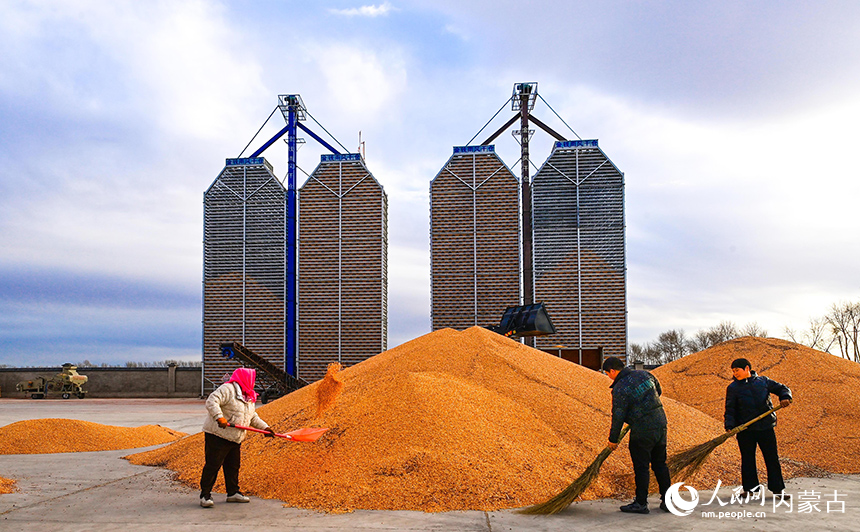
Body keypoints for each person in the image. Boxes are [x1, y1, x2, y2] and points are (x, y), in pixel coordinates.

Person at [603, 356, 672, 514]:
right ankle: (668, 501)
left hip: (642, 430)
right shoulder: (645, 374)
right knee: (660, 464)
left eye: (607, 373)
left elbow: (618, 416)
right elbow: (658, 391)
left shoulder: (620, 388)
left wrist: (613, 439)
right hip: (661, 424)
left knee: (641, 467)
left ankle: (641, 503)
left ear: (613, 371)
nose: (608, 376)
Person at [199, 367, 274, 508]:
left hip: (235, 437)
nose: (253, 382)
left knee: (233, 466)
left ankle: (233, 493)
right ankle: (205, 495)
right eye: (251, 378)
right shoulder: (227, 389)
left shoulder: (249, 395)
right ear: (244, 378)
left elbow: (252, 417)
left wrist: (265, 428)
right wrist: (219, 417)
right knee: (213, 465)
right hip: (218, 435)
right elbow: (211, 401)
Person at [724, 358, 792, 500]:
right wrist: (729, 426)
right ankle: (749, 489)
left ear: (747, 368)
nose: (735, 373)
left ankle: (778, 489)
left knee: (772, 458)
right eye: (733, 371)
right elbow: (730, 409)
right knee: (748, 459)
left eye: (737, 370)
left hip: (766, 427)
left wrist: (785, 397)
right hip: (746, 429)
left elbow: (782, 388)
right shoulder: (733, 388)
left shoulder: (763, 382)